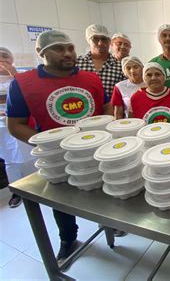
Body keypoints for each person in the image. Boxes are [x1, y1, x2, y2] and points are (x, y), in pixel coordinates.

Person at [6, 30, 112, 262]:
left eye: (70, 48)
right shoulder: (23, 84)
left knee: (106, 192)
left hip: (95, 152)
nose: (67, 53)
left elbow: (106, 107)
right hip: (57, 159)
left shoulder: (91, 79)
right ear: (41, 52)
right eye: (58, 48)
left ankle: (110, 226)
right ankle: (68, 239)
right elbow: (15, 125)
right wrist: (49, 145)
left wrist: (102, 134)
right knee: (62, 201)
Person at [0, 47, 35, 208]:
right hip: (2, 125)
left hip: (22, 122)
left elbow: (29, 90)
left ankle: (35, 188)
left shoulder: (21, 75)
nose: (3, 64)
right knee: (10, 160)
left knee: (30, 155)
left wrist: (12, 71)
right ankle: (17, 191)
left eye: (5, 60)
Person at [77, 24, 125, 97]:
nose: (100, 43)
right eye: (95, 39)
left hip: (111, 108)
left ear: (109, 41)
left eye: (104, 39)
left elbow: (123, 95)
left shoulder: (119, 66)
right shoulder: (77, 63)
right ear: (88, 40)